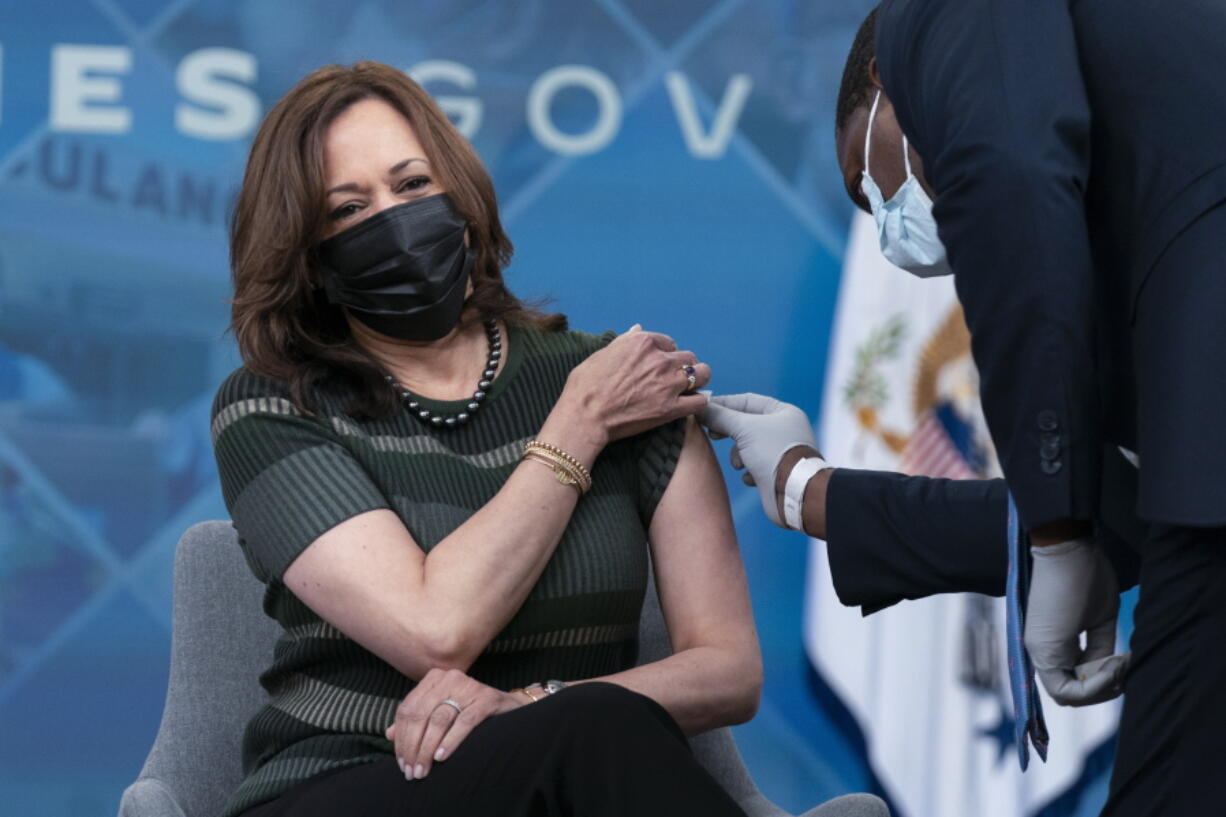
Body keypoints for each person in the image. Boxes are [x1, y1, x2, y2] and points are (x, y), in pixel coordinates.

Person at [703, 3, 1226, 815]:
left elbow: (1012, 182)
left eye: (864, 184)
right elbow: (1119, 515)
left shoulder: (938, 16)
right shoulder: (1134, 261)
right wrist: (810, 490)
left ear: (882, 79)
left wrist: (1057, 535)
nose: (888, 229)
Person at [211, 61, 763, 817]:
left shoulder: (619, 384)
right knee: (591, 731)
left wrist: (542, 701)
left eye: (412, 185)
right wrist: (580, 424)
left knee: (591, 726)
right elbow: (436, 631)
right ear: (309, 259)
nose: (394, 221)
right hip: (347, 785)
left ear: (462, 197)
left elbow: (729, 671)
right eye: (347, 210)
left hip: (565, 781)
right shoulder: (274, 405)